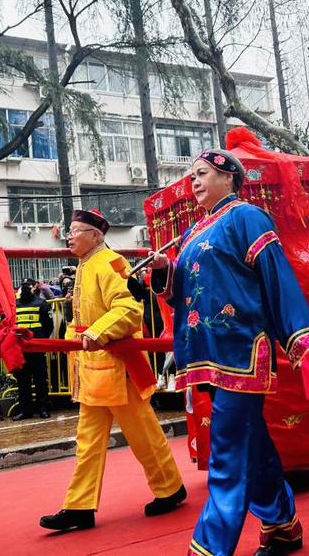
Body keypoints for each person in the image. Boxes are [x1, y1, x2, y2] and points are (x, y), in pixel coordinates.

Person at [150, 149, 309, 556]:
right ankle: (282, 525)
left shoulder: (246, 217)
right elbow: (186, 294)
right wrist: (165, 270)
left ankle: (209, 547)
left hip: (243, 351)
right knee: (251, 444)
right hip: (207, 352)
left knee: (226, 450)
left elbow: (276, 277)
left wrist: (299, 336)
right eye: (190, 176)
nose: (193, 181)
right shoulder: (194, 233)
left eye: (202, 174)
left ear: (229, 178)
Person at [39, 209, 185, 532]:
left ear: (96, 235)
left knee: (142, 434)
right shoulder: (85, 264)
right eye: (70, 231)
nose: (70, 236)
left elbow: (130, 310)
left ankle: (170, 488)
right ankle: (79, 506)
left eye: (76, 230)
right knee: (87, 441)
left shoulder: (107, 263)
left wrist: (97, 331)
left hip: (118, 368)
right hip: (94, 367)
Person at [13, 278, 52, 420]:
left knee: (40, 379)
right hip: (20, 349)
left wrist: (40, 340)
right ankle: (26, 410)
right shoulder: (15, 305)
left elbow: (48, 325)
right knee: (23, 381)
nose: (25, 289)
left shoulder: (41, 303)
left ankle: (43, 408)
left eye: (27, 286)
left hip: (36, 348)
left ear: (33, 289)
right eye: (23, 286)